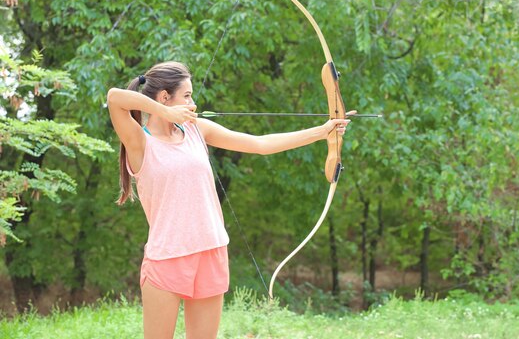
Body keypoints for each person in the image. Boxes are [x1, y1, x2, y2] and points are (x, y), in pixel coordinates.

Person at [106, 61, 352, 339]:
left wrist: (323, 131)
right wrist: (165, 113)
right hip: (167, 258)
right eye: (186, 96)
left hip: (211, 250)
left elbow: (260, 145)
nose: (193, 103)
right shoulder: (140, 141)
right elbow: (115, 97)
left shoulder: (197, 130)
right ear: (165, 97)